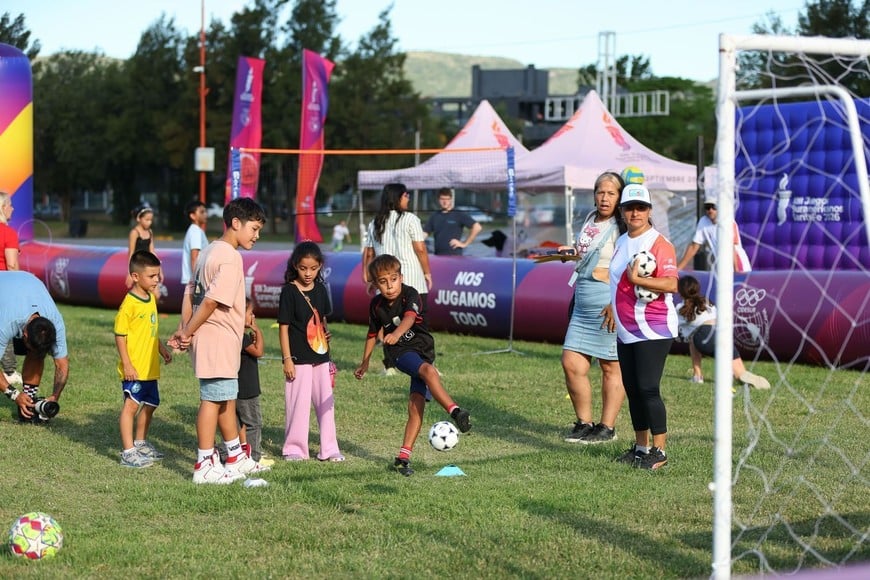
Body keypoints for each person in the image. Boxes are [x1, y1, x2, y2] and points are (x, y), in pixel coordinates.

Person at [168, 197, 271, 484]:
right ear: (236, 223)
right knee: (211, 401)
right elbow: (211, 301)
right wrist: (186, 332)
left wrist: (184, 327)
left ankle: (236, 458)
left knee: (226, 398)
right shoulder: (230, 256)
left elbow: (190, 291)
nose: (257, 235)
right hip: (217, 339)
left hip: (218, 340)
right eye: (254, 228)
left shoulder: (209, 250)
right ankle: (204, 464)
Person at [354, 254, 471, 477]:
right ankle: (456, 412)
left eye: (393, 279)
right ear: (375, 284)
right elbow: (371, 334)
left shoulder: (411, 294)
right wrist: (365, 362)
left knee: (416, 406)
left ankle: (403, 457)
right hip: (399, 352)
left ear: (401, 277)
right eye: (383, 282)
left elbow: (408, 318)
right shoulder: (376, 305)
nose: (389, 286)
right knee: (428, 371)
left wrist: (397, 333)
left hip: (423, 349)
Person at [609, 183, 679, 470]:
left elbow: (671, 284)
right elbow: (616, 280)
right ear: (622, 212)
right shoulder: (622, 241)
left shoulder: (659, 244)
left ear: (649, 210)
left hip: (653, 327)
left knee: (648, 387)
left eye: (641, 207)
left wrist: (639, 281)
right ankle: (640, 448)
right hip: (626, 328)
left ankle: (659, 451)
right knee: (633, 388)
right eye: (629, 207)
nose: (635, 212)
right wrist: (610, 305)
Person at [558, 172, 627, 444]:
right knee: (571, 362)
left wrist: (615, 302)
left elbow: (626, 266)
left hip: (607, 302)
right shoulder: (589, 219)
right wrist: (570, 253)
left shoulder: (622, 227)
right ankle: (584, 423)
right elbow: (585, 253)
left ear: (620, 197)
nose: (604, 197)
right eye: (601, 192)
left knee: (611, 366)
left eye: (611, 193)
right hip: (583, 299)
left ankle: (606, 428)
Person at [277, 241, 343, 462]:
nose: (308, 273)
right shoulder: (288, 291)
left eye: (313, 269)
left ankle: (330, 449)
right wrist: (287, 359)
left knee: (326, 406)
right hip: (298, 360)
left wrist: (325, 334)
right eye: (303, 268)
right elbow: (283, 328)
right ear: (295, 265)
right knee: (298, 405)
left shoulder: (321, 290)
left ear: (320, 266)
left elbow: (321, 319)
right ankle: (295, 449)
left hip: (321, 358)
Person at [362, 183, 432, 375]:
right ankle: (426, 363)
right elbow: (420, 248)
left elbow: (368, 252)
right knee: (420, 322)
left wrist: (370, 278)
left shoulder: (375, 221)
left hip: (383, 279)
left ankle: (390, 365)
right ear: (397, 197)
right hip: (410, 278)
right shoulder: (410, 219)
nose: (408, 198)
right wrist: (427, 272)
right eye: (406, 195)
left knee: (386, 323)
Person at [114, 250, 173, 468]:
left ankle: (140, 443)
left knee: (150, 405)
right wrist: (127, 364)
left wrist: (161, 349)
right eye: (152, 276)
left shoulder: (150, 299)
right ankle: (128, 453)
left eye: (158, 275)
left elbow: (151, 329)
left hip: (150, 368)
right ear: (136, 276)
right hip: (135, 369)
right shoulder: (129, 304)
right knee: (131, 407)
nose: (157, 280)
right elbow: (120, 335)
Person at [676, 275, 770, 389]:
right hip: (722, 333)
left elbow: (674, 327)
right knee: (740, 372)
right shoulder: (707, 302)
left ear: (680, 291)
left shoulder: (681, 308)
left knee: (692, 338)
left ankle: (698, 376)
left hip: (705, 337)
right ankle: (741, 374)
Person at [0, 271, 70, 423]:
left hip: (28, 284)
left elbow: (62, 364)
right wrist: (14, 394)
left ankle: (28, 403)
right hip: (5, 292)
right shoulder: (7, 322)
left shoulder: (55, 323)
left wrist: (55, 396)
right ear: (24, 334)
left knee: (37, 353)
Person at [237, 297, 274, 466]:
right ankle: (254, 459)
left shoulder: (235, 335)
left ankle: (236, 453)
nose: (253, 316)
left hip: (236, 389)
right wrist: (257, 330)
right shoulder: (242, 336)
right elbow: (259, 351)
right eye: (250, 313)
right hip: (247, 389)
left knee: (238, 422)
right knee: (253, 423)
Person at [677, 196, 752, 274]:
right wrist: (678, 269)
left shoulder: (727, 222)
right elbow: (694, 247)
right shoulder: (703, 221)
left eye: (714, 207)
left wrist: (736, 269)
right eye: (707, 207)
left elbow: (731, 247)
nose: (710, 210)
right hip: (722, 266)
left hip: (737, 264)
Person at [0, 192, 22, 387]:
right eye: (10, 205)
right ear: (2, 207)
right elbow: (12, 265)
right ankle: (9, 371)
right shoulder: (8, 233)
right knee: (5, 328)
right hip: (4, 286)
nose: (12, 208)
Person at [424, 187, 482, 256]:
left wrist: (464, 243)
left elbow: (477, 227)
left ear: (451, 199)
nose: (445, 202)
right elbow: (425, 233)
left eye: (447, 199)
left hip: (454, 257)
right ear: (438, 199)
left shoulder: (458, 214)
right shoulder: (434, 216)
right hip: (438, 256)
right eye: (442, 199)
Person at [125, 205, 156, 288]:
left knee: (156, 293)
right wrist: (129, 272)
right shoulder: (134, 232)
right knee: (141, 290)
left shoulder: (150, 232)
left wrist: (159, 268)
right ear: (139, 218)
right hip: (138, 266)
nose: (150, 222)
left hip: (148, 265)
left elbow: (152, 251)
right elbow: (131, 252)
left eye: (151, 220)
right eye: (147, 220)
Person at [181, 200, 208, 287]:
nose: (205, 214)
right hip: (195, 281)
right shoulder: (195, 231)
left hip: (193, 280)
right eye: (201, 212)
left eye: (205, 211)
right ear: (192, 216)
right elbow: (194, 257)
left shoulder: (196, 230)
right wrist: (197, 281)